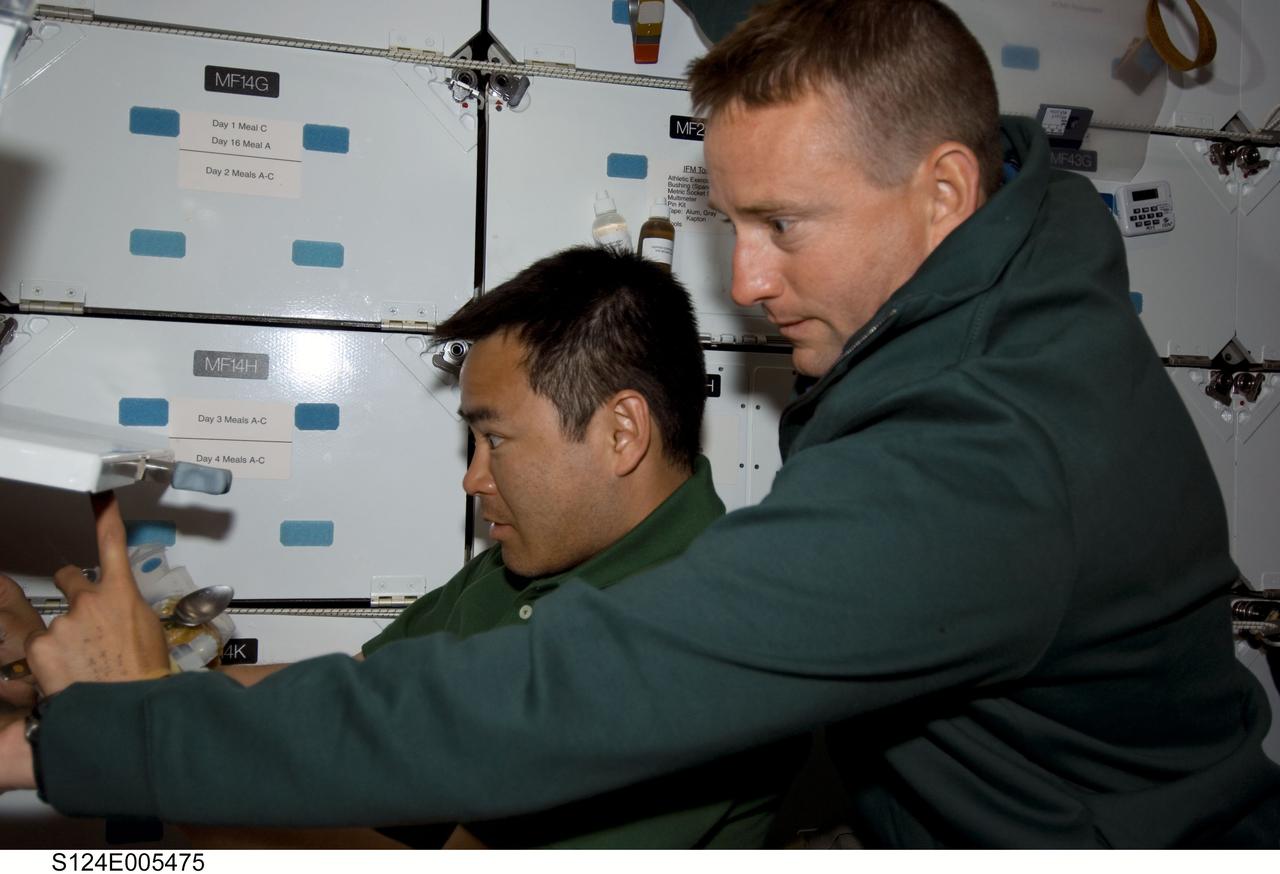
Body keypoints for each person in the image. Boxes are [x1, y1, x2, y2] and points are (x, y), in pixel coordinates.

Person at [3, 0, 1278, 847]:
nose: (747, 281)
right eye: (733, 224)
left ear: (940, 191)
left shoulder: (986, 459)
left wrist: (102, 735)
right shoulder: (1002, 239)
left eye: (785, 224)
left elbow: (554, 699)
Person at [0, 246, 800, 848]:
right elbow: (353, 693)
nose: (473, 479)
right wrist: (54, 677)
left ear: (620, 432)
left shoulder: (704, 638)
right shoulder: (536, 561)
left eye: (496, 440)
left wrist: (145, 731)